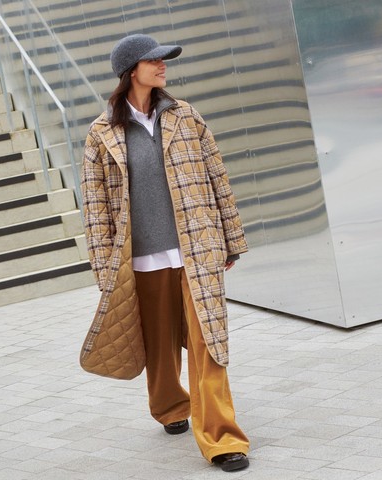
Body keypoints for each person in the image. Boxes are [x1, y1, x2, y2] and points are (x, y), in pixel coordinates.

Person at [80, 33, 250, 472]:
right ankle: (170, 405)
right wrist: (104, 270)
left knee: (208, 343)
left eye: (163, 60)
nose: (163, 66)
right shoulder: (101, 133)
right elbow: (96, 208)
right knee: (159, 343)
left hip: (197, 248)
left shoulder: (186, 116)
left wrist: (231, 238)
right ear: (130, 71)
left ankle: (222, 438)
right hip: (141, 259)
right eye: (154, 61)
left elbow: (217, 176)